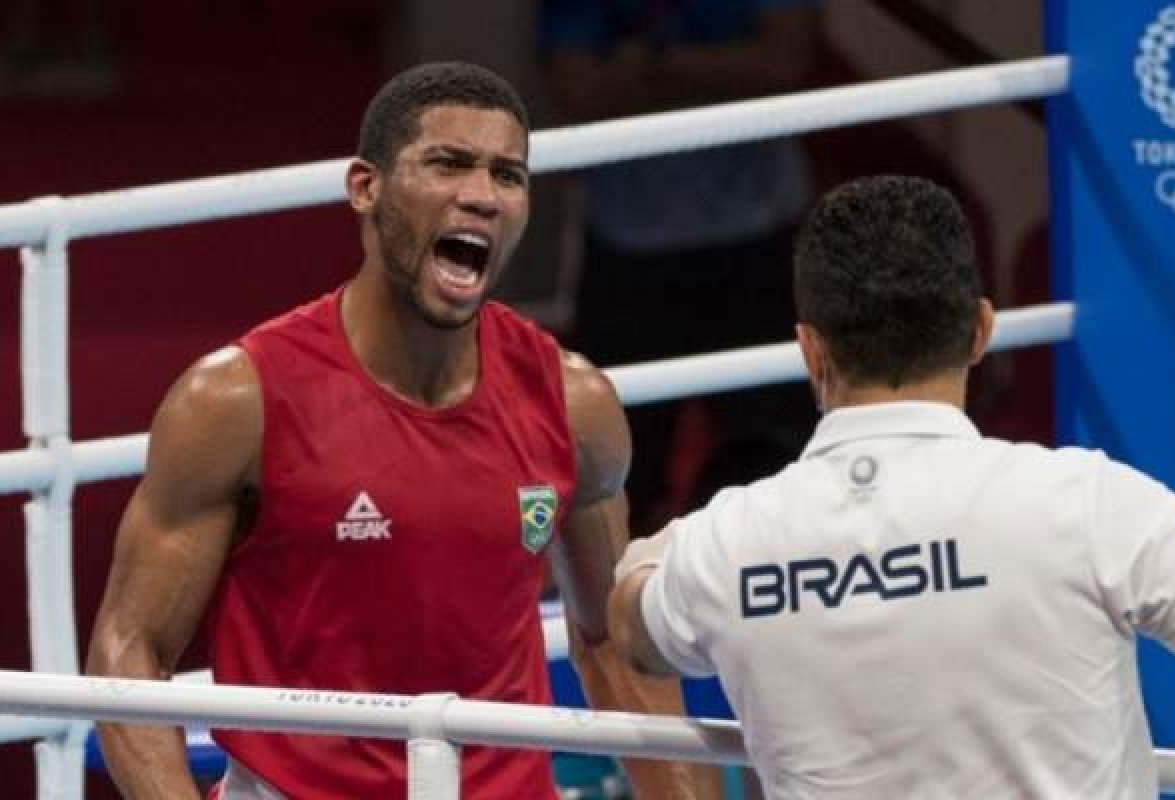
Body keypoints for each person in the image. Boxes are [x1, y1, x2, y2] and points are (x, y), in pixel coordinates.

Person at [86, 61, 709, 800]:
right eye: (447, 164)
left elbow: (613, 642)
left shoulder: (575, 404)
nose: (480, 194)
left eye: (507, 175)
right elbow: (131, 649)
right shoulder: (236, 401)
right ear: (365, 187)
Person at [609, 175, 1175, 798]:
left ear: (810, 351)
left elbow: (631, 627)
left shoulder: (725, 544)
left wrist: (659, 557)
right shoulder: (1086, 504)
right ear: (980, 331)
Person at [539, 0, 822, 539]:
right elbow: (579, 89)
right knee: (611, 480)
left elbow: (786, 61)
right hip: (631, 246)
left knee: (785, 475)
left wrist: (650, 66)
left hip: (760, 240)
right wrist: (724, 72)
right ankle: (619, 619)